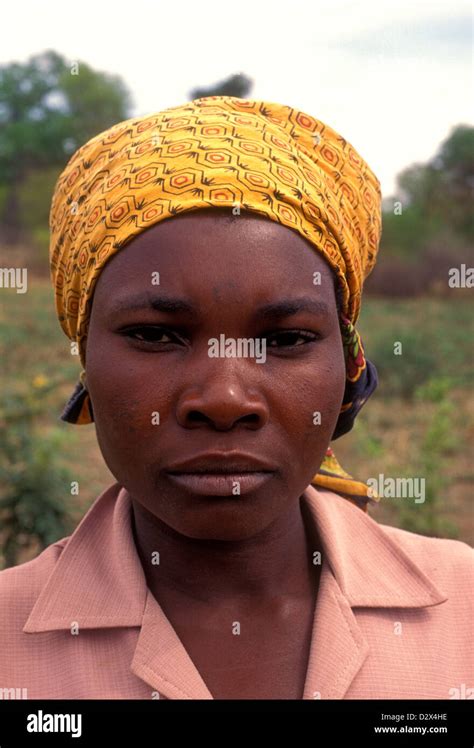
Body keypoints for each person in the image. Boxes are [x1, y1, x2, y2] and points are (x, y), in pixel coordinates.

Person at [0, 96, 472, 700]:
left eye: (285, 339)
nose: (224, 399)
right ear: (84, 357)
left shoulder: (463, 612)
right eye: (154, 334)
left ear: (349, 363)